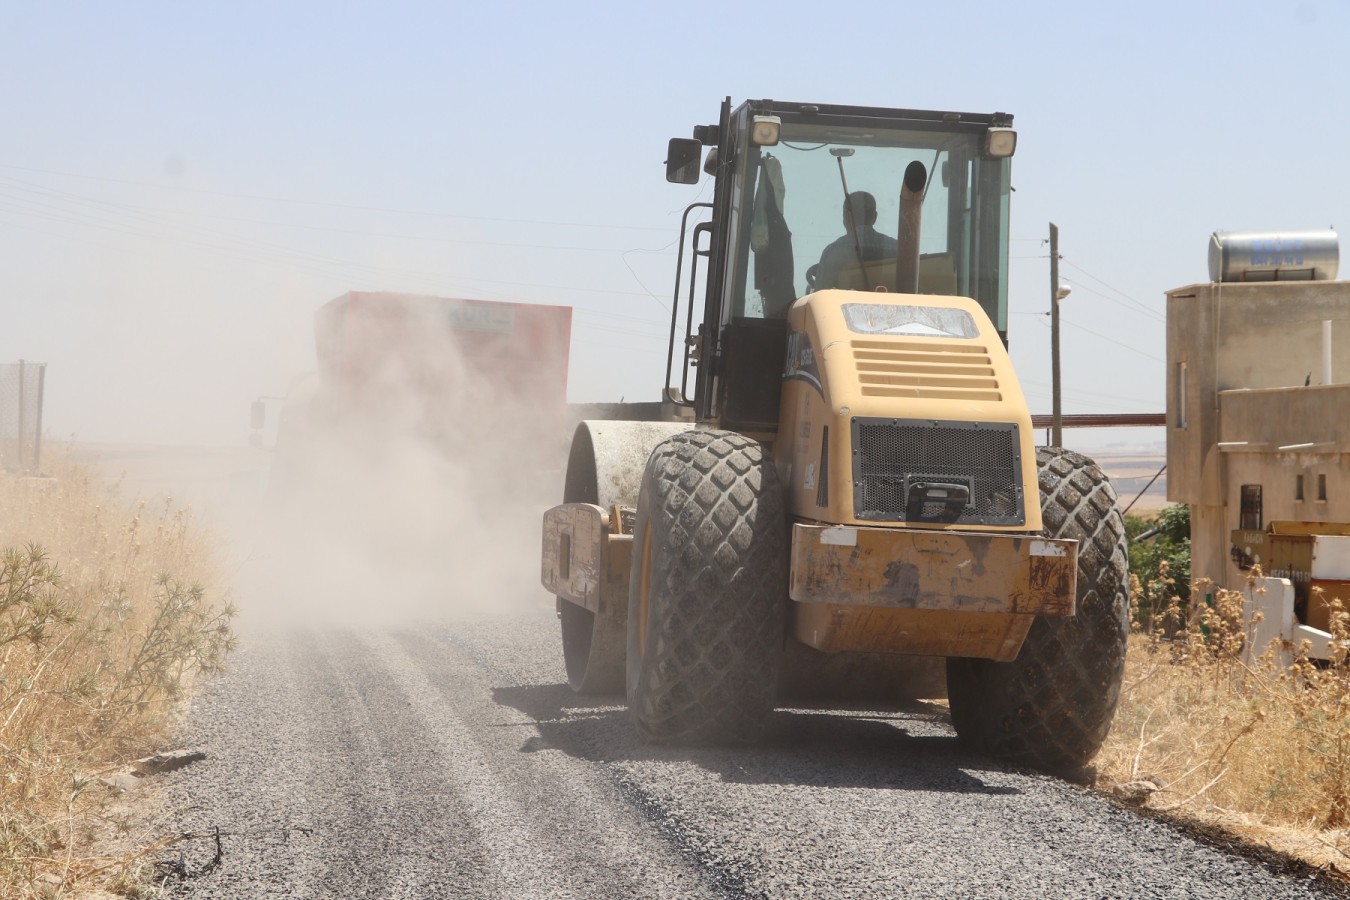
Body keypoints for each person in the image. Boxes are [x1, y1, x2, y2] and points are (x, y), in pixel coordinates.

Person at [811, 191, 897, 291]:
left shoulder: (832, 252)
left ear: (846, 217)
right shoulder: (898, 249)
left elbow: (821, 295)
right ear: (874, 217)